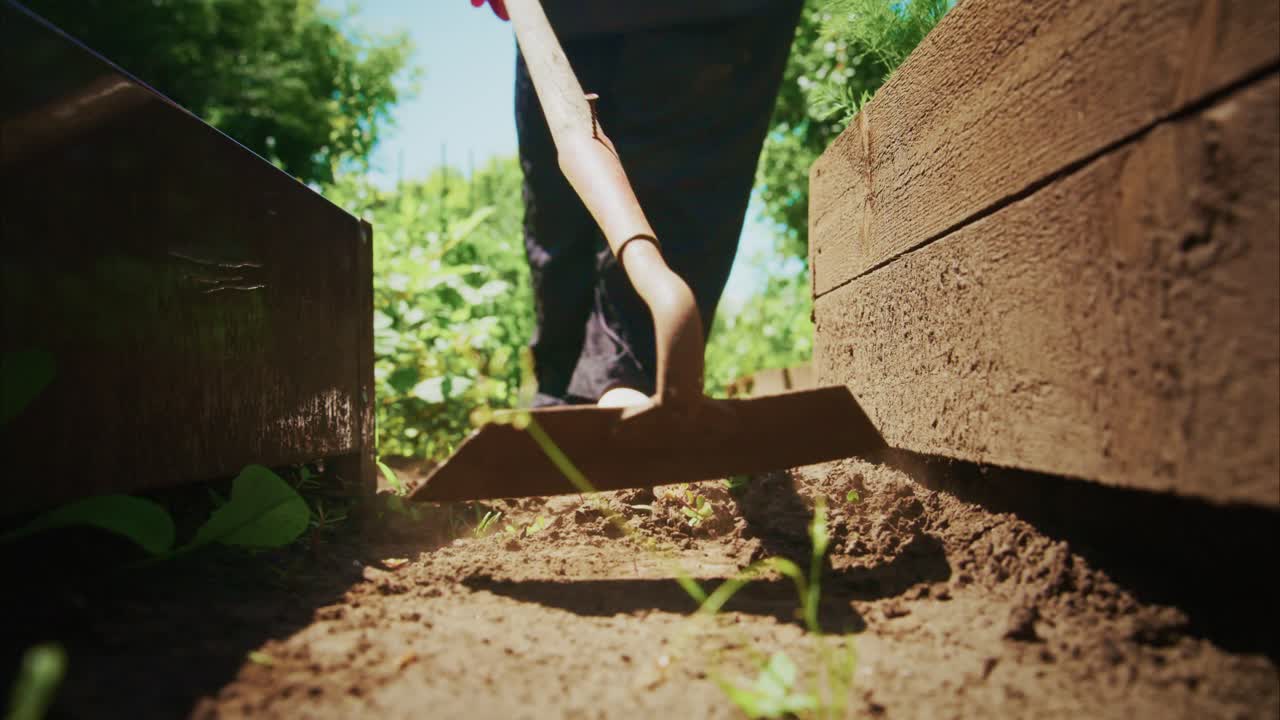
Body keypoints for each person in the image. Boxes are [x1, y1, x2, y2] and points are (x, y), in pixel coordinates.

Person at [472, 0, 803, 408]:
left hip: (715, 19)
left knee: (675, 196)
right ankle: (574, 397)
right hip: (563, 19)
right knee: (563, 219)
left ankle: (624, 389)